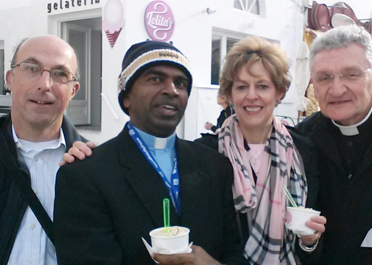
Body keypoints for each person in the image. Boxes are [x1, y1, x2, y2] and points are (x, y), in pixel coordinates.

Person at [53, 40, 243, 265]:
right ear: (126, 97)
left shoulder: (214, 166)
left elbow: (234, 254)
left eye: (181, 83)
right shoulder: (85, 175)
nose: (172, 90)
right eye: (156, 79)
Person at [196, 36, 326, 264]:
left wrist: (310, 241)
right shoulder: (205, 154)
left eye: (263, 86)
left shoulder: (305, 151)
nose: (251, 95)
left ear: (279, 93)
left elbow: (312, 252)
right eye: (241, 86)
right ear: (230, 94)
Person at [293, 24, 372, 264]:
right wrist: (307, 243)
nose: (336, 90)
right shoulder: (300, 139)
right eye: (324, 78)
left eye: (351, 74)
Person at [0, 35, 91, 264]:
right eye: (32, 68)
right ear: (10, 79)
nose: (45, 84)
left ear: (73, 90)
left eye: (60, 74)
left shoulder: (90, 167)